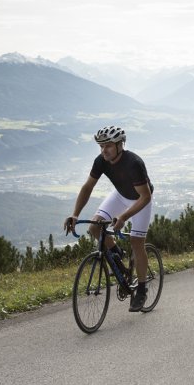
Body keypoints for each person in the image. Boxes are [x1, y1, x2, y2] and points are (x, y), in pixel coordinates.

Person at [64, 125, 154, 312]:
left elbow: (145, 197)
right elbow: (88, 186)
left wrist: (123, 217)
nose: (104, 150)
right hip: (120, 195)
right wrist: (75, 214)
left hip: (140, 200)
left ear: (120, 145)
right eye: (101, 146)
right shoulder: (101, 161)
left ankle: (142, 290)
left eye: (108, 146)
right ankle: (117, 254)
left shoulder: (134, 163)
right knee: (95, 228)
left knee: (137, 242)